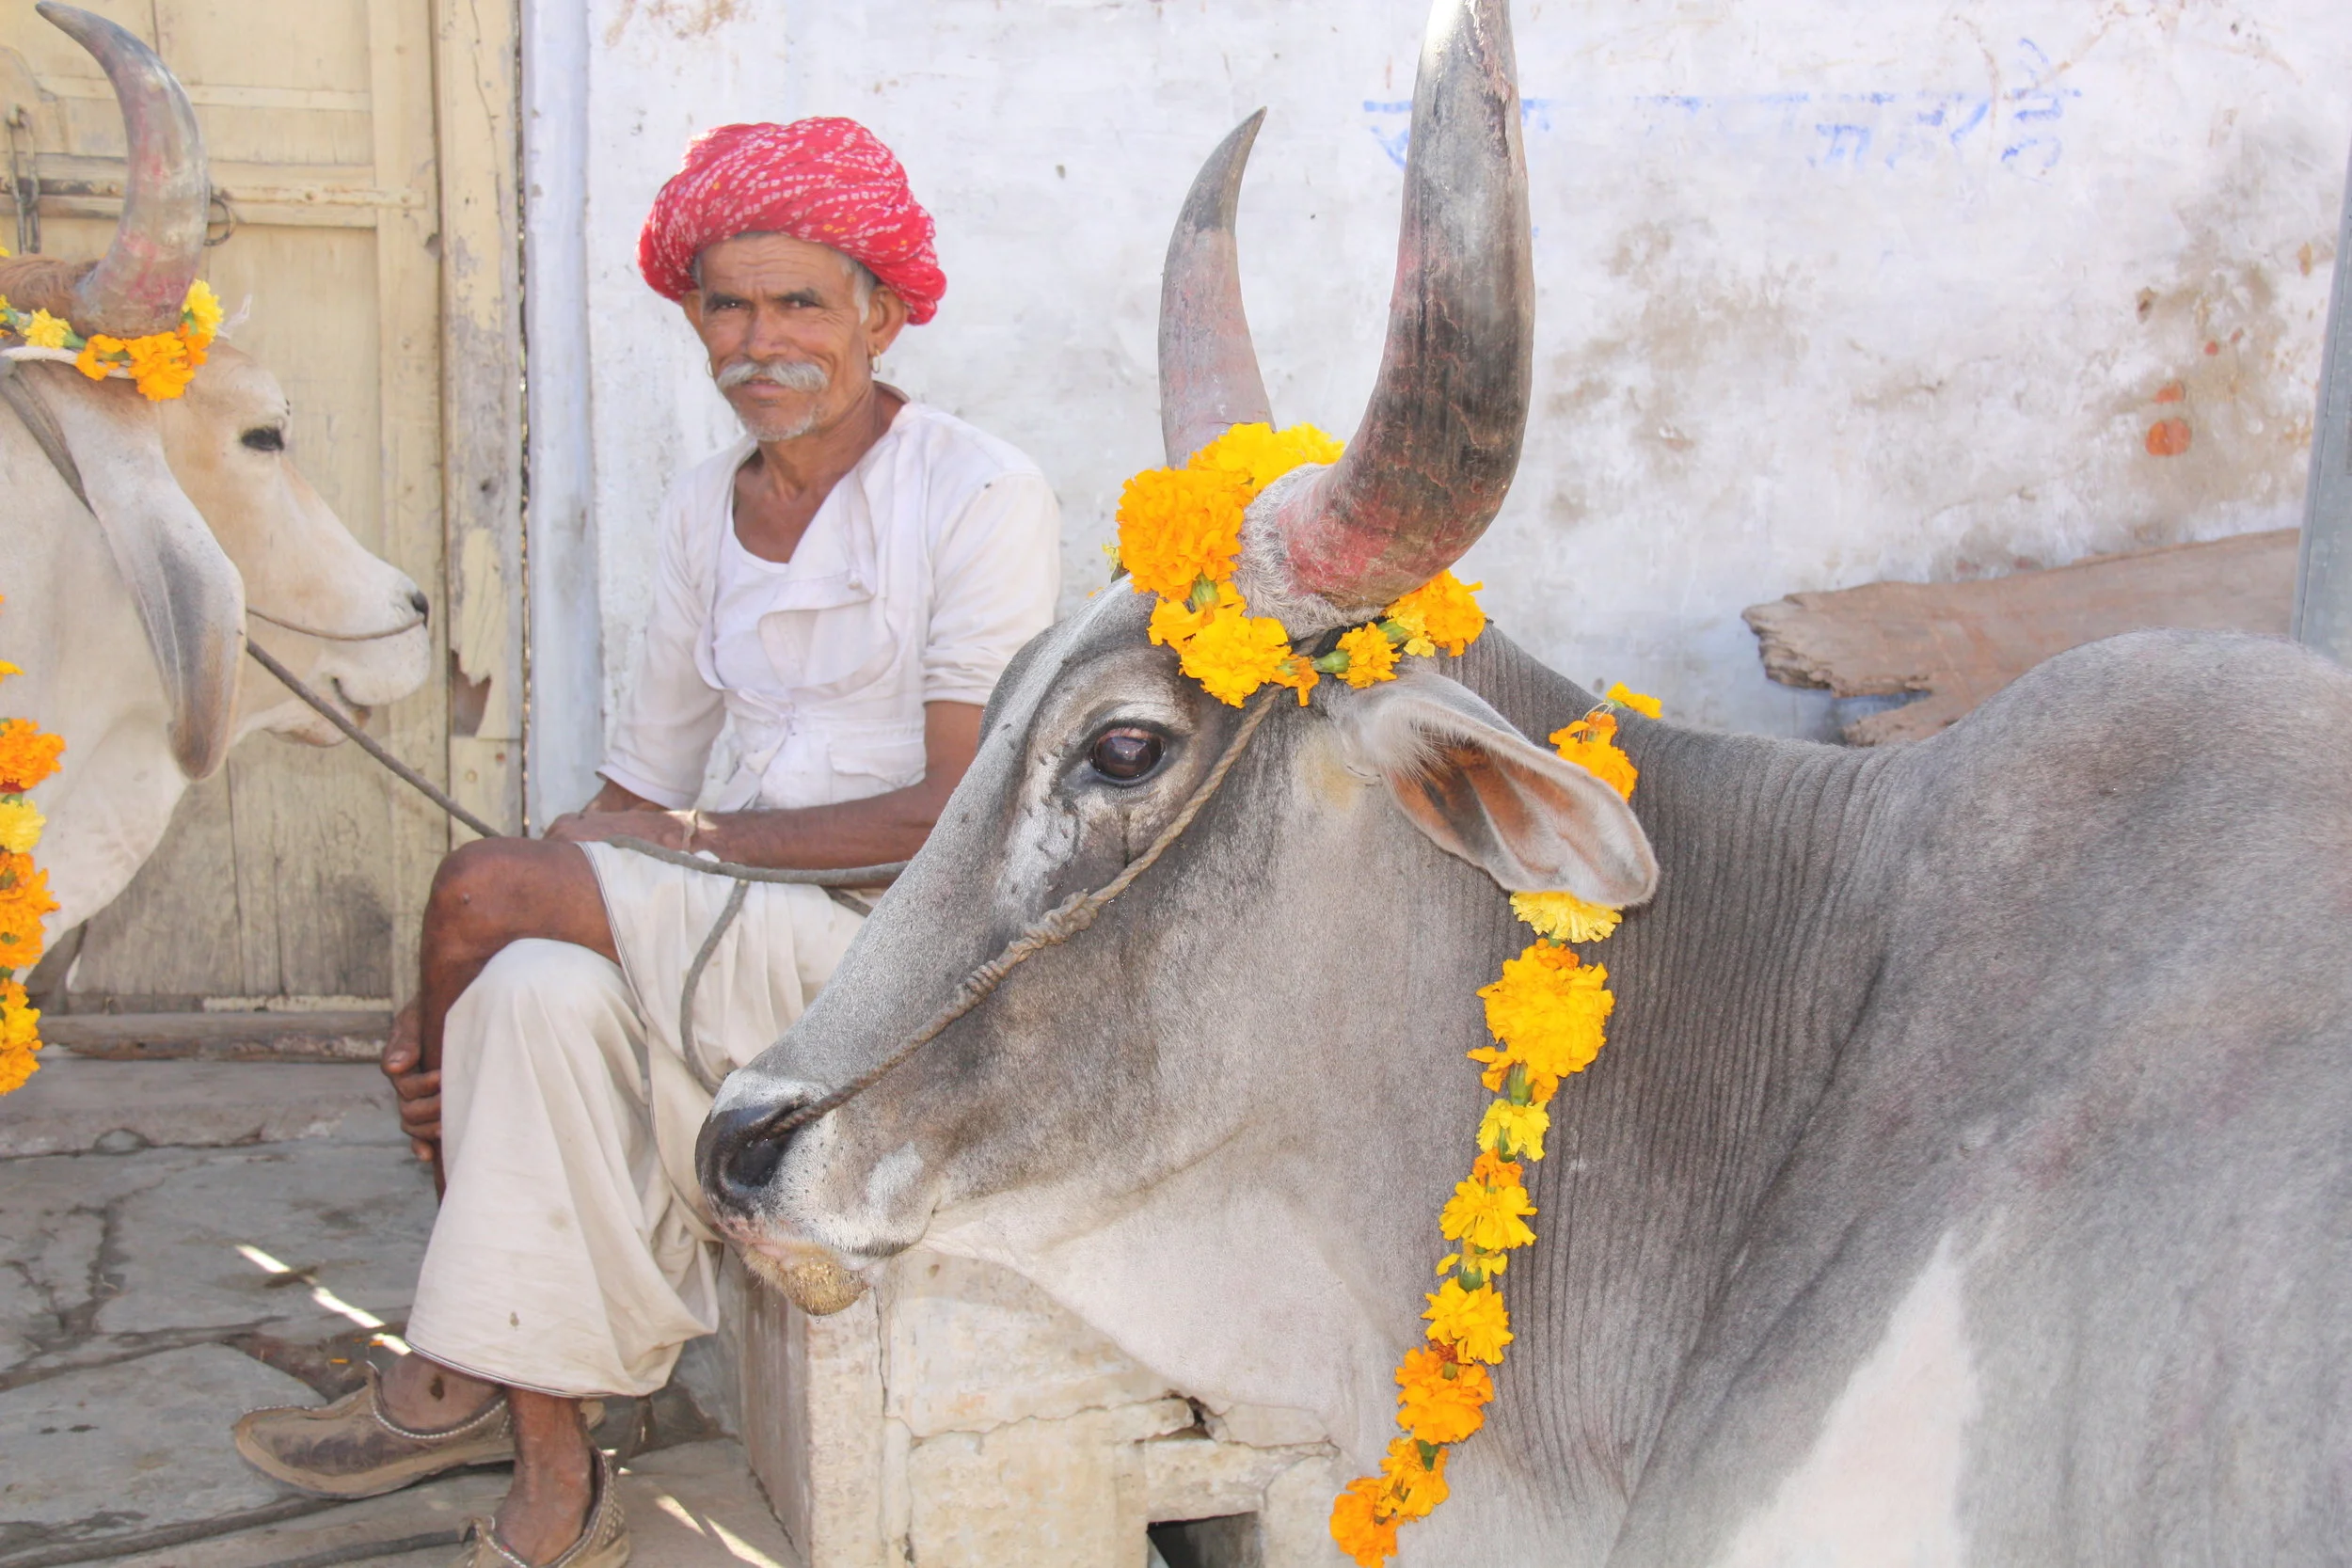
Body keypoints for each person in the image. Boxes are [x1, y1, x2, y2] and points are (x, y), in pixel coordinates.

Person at [230, 118, 1061, 1568]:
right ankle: (554, 1467)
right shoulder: (700, 508)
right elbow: (633, 787)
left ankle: (450, 1367)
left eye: (799, 303)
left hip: (899, 945)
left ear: (881, 312)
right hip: (728, 916)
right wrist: (509, 931)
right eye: (727, 305)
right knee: (526, 994)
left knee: (482, 893)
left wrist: (632, 856)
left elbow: (955, 809)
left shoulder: (978, 490)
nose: (760, 340)